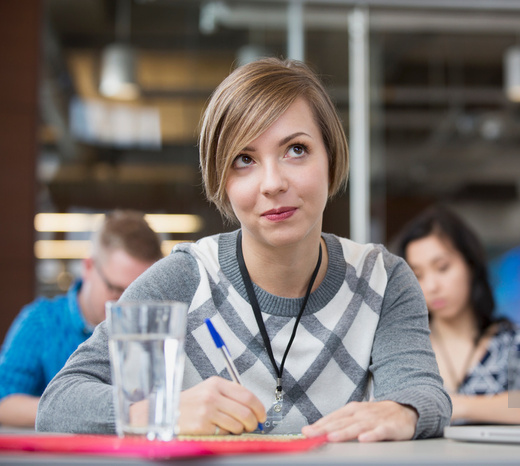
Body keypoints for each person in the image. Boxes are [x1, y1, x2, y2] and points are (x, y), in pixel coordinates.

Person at [36, 58, 451, 442]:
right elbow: (59, 404)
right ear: (222, 181)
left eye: (296, 150)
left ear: (331, 156)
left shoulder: (384, 279)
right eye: (244, 159)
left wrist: (404, 410)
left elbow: (422, 391)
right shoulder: (185, 279)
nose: (272, 183)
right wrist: (166, 411)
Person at [394, 206, 520, 425]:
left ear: (470, 264)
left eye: (442, 268)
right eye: (417, 275)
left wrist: (453, 405)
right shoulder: (402, 351)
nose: (431, 286)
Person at [0, 210, 162, 428]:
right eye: (116, 290)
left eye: (140, 295)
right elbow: (4, 402)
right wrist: (78, 411)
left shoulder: (158, 331)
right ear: (87, 267)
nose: (126, 307)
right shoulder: (41, 322)